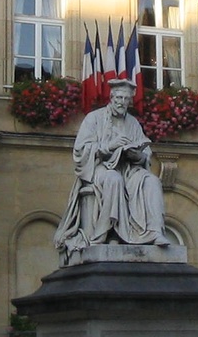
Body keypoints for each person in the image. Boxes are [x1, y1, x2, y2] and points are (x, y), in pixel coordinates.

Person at [54, 79, 170, 261]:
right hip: (101, 168)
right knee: (113, 179)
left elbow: (145, 153)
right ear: (112, 97)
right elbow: (81, 150)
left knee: (152, 181)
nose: (122, 102)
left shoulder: (132, 123)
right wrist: (109, 146)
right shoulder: (94, 119)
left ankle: (154, 232)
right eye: (119, 98)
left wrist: (137, 155)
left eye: (126, 99)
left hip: (129, 169)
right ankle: (109, 233)